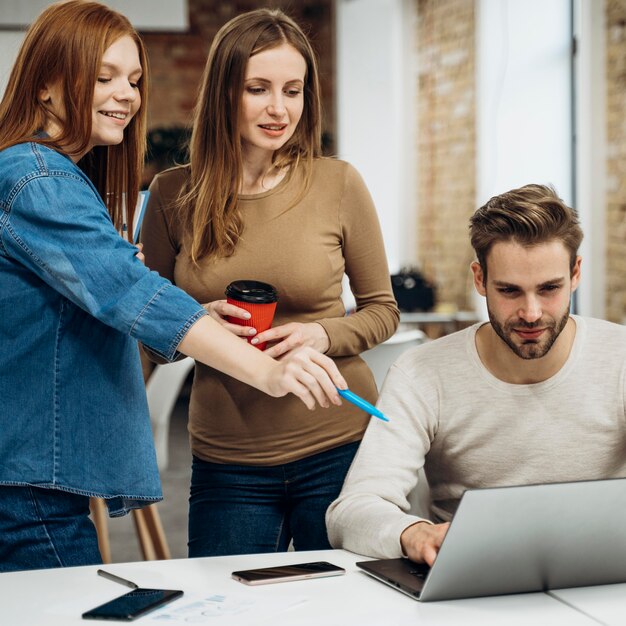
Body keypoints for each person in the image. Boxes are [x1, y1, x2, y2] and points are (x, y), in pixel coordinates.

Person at [0, 0, 347, 573]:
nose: (126, 95)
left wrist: (199, 318)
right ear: (45, 86)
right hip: (30, 479)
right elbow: (130, 292)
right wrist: (264, 369)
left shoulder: (53, 175)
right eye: (104, 76)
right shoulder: (37, 177)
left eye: (133, 80)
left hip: (38, 475)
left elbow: (101, 307)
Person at [140, 8, 399, 557]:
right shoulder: (171, 195)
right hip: (228, 459)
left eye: (293, 89)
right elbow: (148, 337)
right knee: (226, 608)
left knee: (341, 610)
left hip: (339, 444)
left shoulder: (338, 183)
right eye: (258, 89)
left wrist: (321, 336)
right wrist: (194, 323)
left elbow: (382, 310)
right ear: (223, 93)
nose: (279, 109)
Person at [326, 184, 626, 565]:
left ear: (576, 273)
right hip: (471, 573)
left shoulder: (620, 358)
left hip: (605, 574)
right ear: (480, 279)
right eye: (510, 291)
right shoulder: (422, 373)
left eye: (550, 288)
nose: (531, 313)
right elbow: (350, 512)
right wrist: (412, 534)